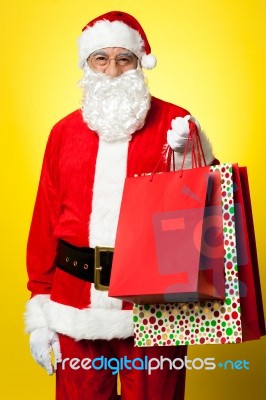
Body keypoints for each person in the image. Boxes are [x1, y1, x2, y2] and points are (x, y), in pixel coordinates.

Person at [25, 11, 217, 400]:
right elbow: (45, 220)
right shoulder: (63, 132)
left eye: (123, 59)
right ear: (87, 65)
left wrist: (189, 158)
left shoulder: (176, 121)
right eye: (101, 58)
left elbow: (209, 203)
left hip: (154, 307)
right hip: (73, 303)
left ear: (139, 64)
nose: (112, 70)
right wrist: (39, 309)